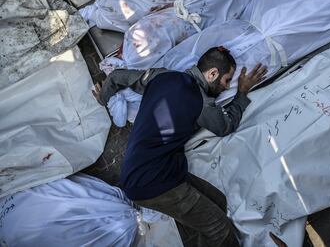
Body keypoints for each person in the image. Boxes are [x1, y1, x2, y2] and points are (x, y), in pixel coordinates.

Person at [93, 46, 267, 247]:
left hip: (154, 170)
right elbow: (225, 126)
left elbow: (116, 77)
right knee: (218, 228)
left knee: (219, 202)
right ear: (212, 74)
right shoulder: (202, 102)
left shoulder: (161, 76)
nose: (227, 87)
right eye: (227, 80)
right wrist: (242, 93)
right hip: (153, 180)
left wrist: (103, 98)